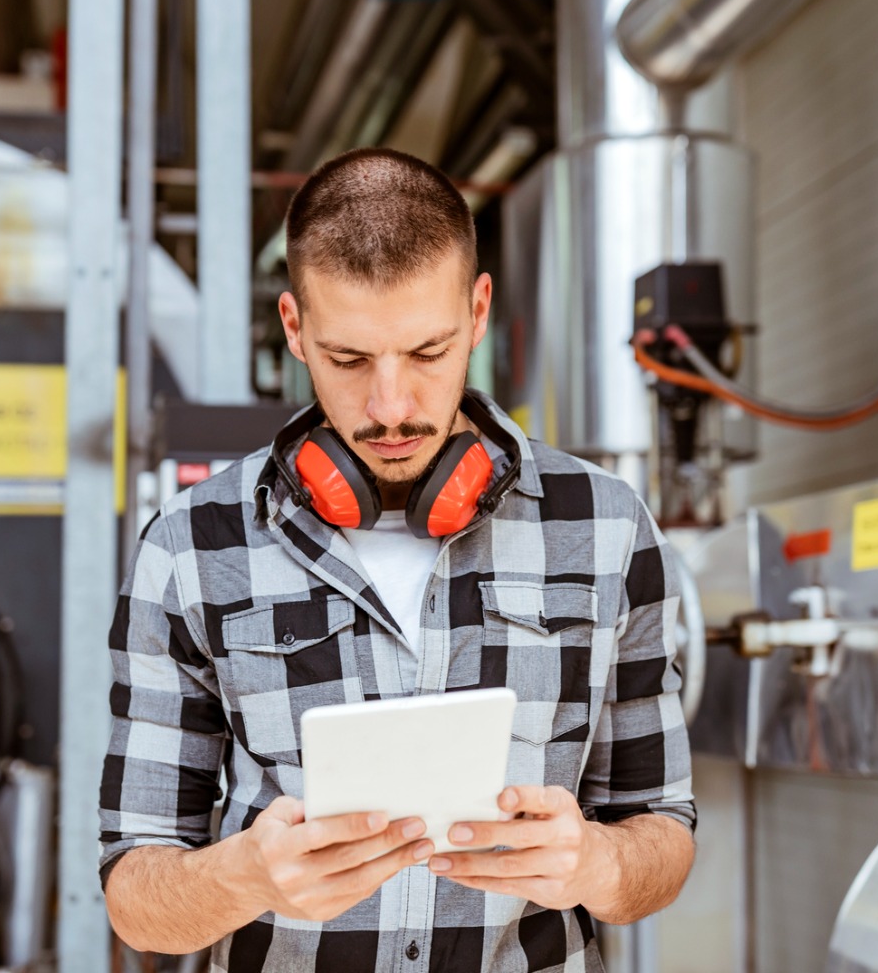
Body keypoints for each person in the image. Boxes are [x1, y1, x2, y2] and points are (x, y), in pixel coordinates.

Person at [98, 147, 694, 971]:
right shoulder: (191, 547)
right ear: (294, 328)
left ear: (478, 312)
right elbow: (136, 896)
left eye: (426, 352)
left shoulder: (608, 526)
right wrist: (243, 878)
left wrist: (598, 864)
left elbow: (662, 831)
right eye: (348, 360)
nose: (390, 407)